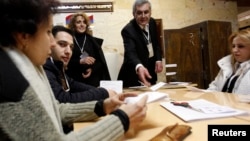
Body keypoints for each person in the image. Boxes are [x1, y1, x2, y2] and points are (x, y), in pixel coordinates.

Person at [0, 0, 148, 140]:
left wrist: (102, 106)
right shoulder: (10, 87)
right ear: (24, 36)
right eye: (47, 32)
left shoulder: (30, 66)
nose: (52, 43)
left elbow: (56, 110)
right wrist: (122, 119)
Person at [43, 25, 117, 104]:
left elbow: (72, 83)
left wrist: (99, 90)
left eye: (71, 47)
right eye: (62, 44)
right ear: (50, 44)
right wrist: (103, 93)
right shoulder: (46, 69)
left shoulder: (57, 65)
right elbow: (63, 99)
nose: (68, 51)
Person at [117, 0, 163, 88]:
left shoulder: (152, 22)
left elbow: (156, 43)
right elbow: (131, 53)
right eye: (139, 13)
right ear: (133, 14)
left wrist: (158, 59)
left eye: (146, 12)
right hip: (132, 76)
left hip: (149, 72)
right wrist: (139, 66)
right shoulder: (128, 30)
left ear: (150, 12)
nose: (143, 16)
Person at [66, 12, 111, 87]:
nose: (82, 24)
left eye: (84, 22)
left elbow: (100, 62)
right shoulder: (69, 39)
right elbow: (64, 62)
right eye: (78, 22)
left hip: (92, 81)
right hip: (74, 79)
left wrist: (91, 69)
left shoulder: (92, 41)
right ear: (73, 25)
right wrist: (80, 61)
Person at [207, 28, 250, 95]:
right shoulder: (226, 64)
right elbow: (215, 86)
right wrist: (206, 96)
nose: (234, 50)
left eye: (241, 46)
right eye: (233, 46)